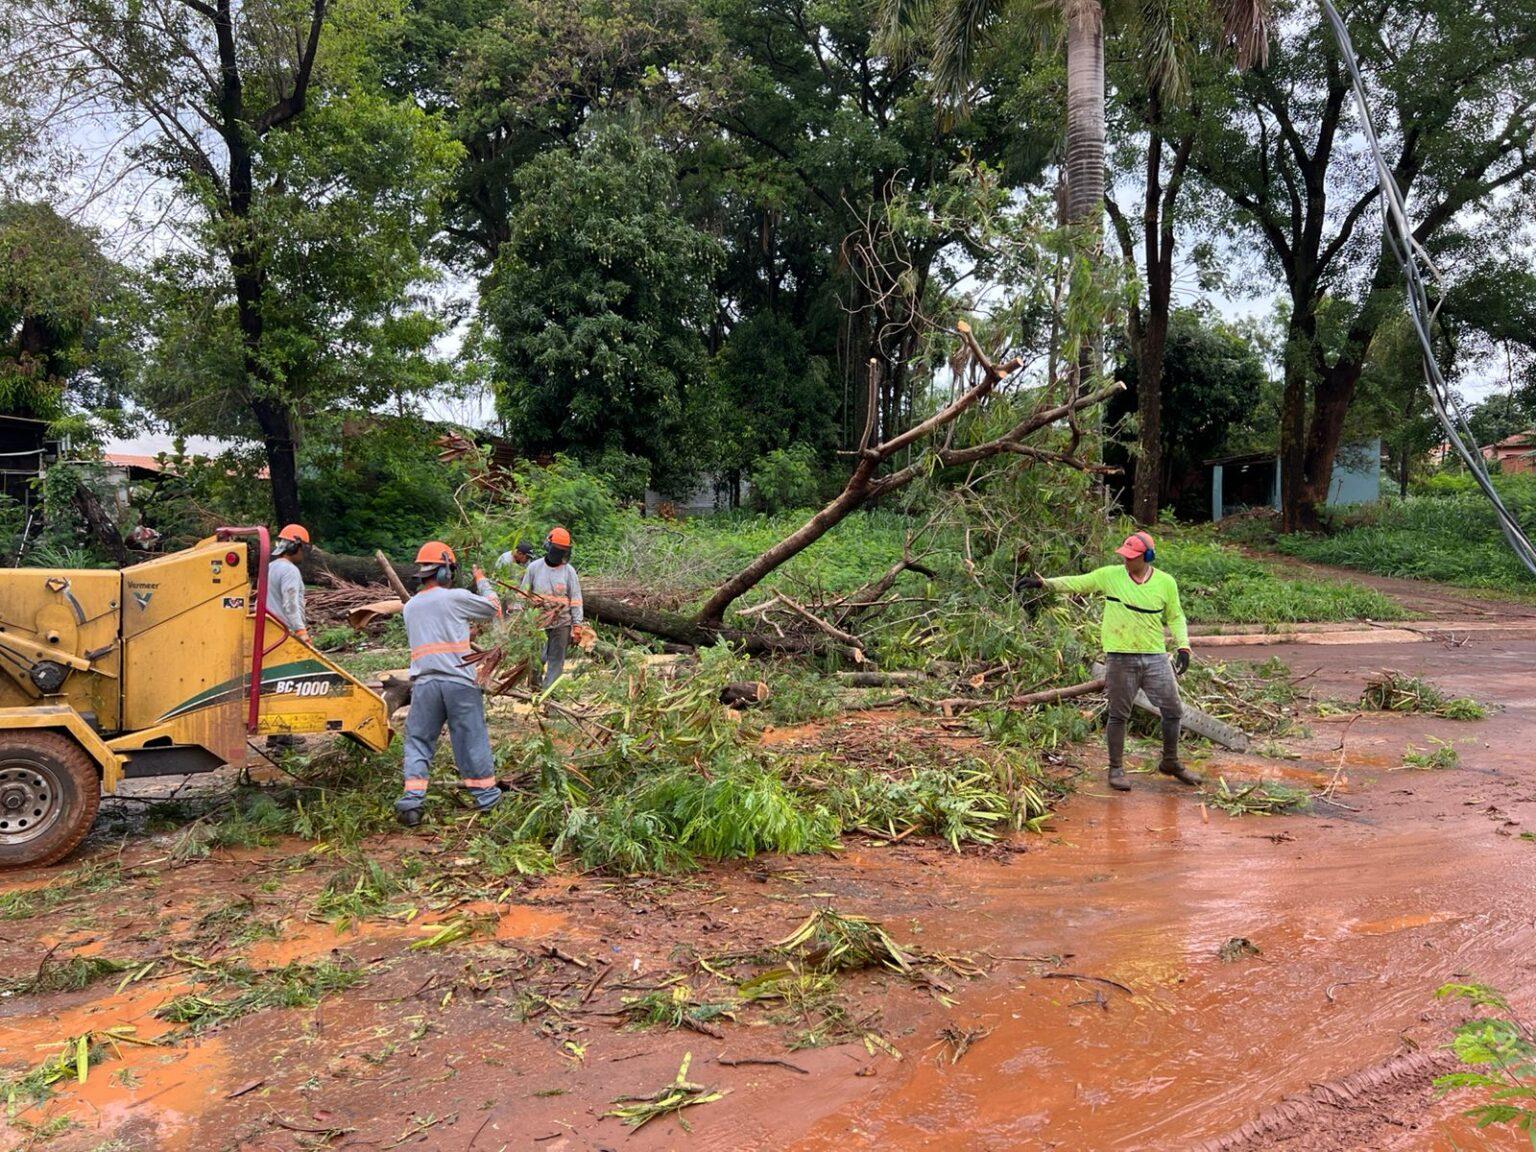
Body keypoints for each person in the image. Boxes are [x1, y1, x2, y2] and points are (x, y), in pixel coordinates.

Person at [1018, 531, 1198, 793]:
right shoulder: (1110, 575)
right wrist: (1043, 583)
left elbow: (1176, 615)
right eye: (1124, 555)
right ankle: (1116, 768)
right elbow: (1079, 582)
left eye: (1132, 557)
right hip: (1120, 657)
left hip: (1155, 656)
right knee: (1119, 714)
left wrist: (1183, 647)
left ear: (1147, 557)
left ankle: (1170, 761)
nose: (1126, 560)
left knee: (1173, 710)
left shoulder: (1165, 583)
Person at [395, 541, 503, 827]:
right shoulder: (454, 597)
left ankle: (412, 803)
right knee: (471, 739)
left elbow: (438, 629)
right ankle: (487, 799)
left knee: (418, 741)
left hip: (425, 685)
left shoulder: (410, 607)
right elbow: (494, 609)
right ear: (444, 571)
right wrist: (482, 581)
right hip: (459, 684)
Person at [520, 526, 583, 689]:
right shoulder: (534, 568)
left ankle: (549, 694)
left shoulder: (569, 572)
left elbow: (576, 599)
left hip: (562, 622)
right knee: (537, 657)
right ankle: (534, 689)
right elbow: (522, 594)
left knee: (556, 659)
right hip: (538, 622)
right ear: (549, 547)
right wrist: (518, 616)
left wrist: (577, 625)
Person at [266, 524, 312, 644]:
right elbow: (290, 604)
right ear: (294, 547)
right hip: (284, 633)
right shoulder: (290, 570)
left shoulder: (269, 567)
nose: (303, 553)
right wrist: (301, 631)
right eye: (302, 548)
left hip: (269, 629)